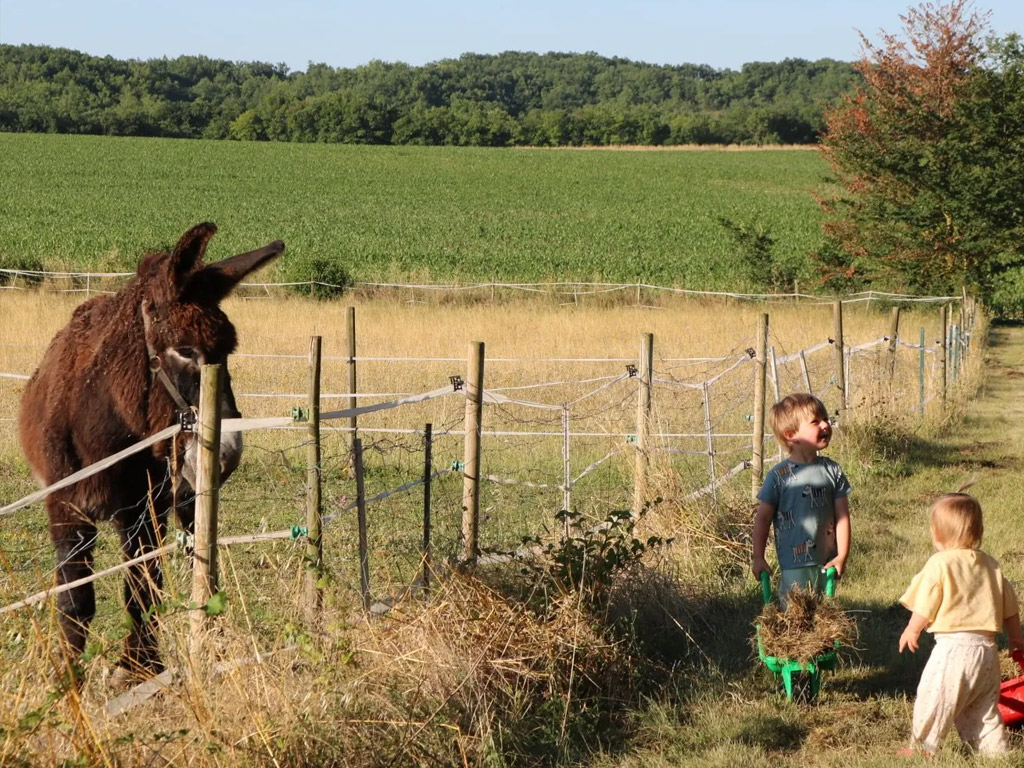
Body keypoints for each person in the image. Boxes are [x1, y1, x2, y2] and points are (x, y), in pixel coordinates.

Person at [898, 493, 1024, 757]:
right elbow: (1010, 606)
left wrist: (913, 628)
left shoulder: (940, 563)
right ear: (978, 532)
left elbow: (927, 599)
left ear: (937, 535)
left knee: (935, 700)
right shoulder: (991, 565)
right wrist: (1015, 640)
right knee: (983, 711)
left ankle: (922, 749)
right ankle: (995, 755)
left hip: (954, 651)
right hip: (987, 653)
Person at [751, 393, 852, 607]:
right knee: (796, 617)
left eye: (825, 418)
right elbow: (762, 519)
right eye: (816, 421)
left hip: (827, 562)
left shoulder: (832, 470)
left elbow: (843, 517)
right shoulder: (779, 476)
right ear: (791, 435)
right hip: (793, 566)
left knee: (824, 615)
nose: (825, 424)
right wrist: (758, 557)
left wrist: (842, 555)